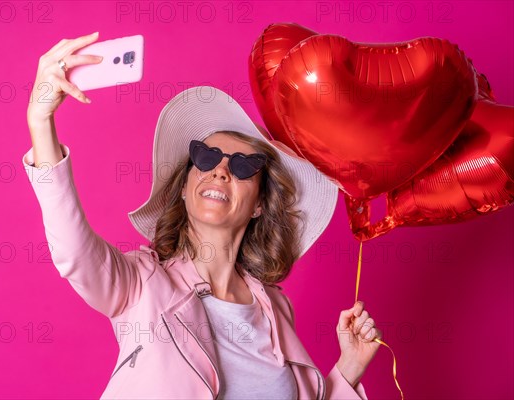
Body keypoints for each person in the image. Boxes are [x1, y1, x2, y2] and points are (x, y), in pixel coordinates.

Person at [24, 32, 382, 399]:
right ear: (183, 187)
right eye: (206, 158)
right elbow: (75, 253)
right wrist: (41, 122)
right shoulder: (142, 284)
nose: (220, 171)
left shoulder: (275, 308)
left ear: (260, 203)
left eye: (244, 166)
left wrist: (349, 367)